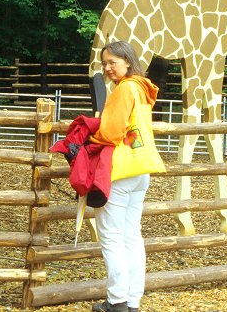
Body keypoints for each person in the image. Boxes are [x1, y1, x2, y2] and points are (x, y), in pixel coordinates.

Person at [88, 40, 165, 312]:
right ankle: (132, 301)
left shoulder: (124, 89)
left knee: (111, 236)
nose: (107, 68)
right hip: (140, 169)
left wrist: (89, 135)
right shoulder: (143, 88)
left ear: (127, 62)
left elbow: (110, 132)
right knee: (132, 235)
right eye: (104, 63)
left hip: (119, 170)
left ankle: (117, 300)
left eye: (113, 62)